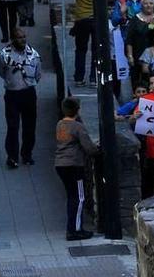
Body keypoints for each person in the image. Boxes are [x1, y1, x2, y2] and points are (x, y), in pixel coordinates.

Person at [54, 97, 98, 241]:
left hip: (60, 164)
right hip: (74, 164)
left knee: (71, 196)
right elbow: (89, 147)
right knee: (79, 198)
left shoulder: (60, 124)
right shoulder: (78, 126)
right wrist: (98, 150)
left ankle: (72, 228)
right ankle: (75, 230)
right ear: (77, 110)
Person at [0, 27, 42, 168]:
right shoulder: (4, 55)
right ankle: (12, 157)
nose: (23, 40)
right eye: (19, 37)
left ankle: (26, 154)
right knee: (13, 126)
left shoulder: (33, 54)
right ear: (13, 39)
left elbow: (38, 75)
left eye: (24, 37)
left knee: (30, 126)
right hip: (12, 94)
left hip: (28, 93)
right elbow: (2, 72)